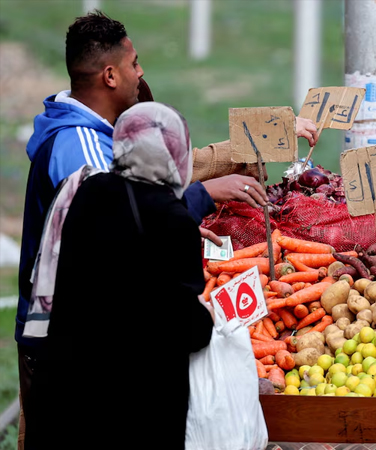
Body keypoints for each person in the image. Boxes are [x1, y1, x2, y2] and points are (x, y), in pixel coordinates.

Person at [16, 10, 316, 446]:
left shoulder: (107, 142)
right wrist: (193, 205)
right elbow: (127, 240)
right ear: (110, 74)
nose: (141, 73)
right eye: (134, 63)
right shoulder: (80, 151)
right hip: (86, 362)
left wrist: (225, 167)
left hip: (81, 358)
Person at [25, 102, 214, 449]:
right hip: (132, 412)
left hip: (64, 399)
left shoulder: (85, 192)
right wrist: (208, 313)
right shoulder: (173, 219)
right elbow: (188, 330)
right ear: (177, 153)